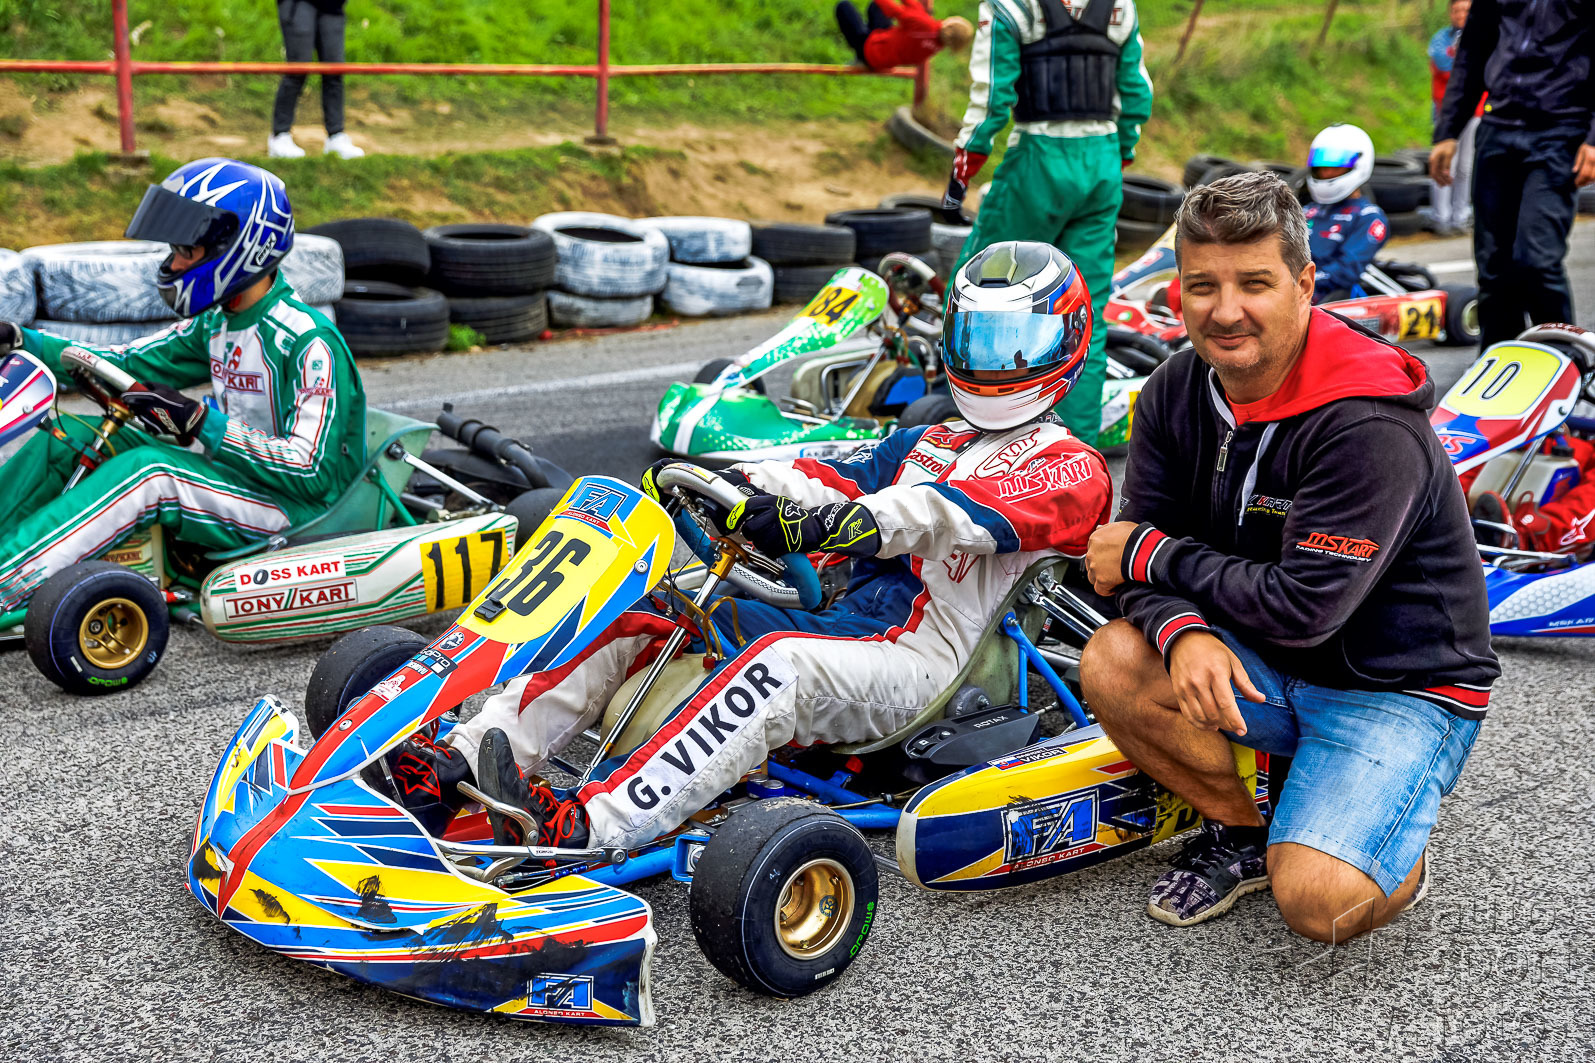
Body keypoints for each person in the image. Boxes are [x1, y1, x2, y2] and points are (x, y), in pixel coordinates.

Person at [382, 242, 1114, 853]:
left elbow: (946, 516)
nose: (993, 364)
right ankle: (465, 756)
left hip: (930, 667)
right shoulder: (930, 439)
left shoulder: (1068, 465)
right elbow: (827, 473)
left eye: (1013, 343)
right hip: (846, 623)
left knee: (776, 665)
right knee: (653, 608)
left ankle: (591, 824)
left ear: (1064, 343)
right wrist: (734, 482)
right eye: (979, 340)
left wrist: (823, 526)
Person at [1077, 172, 1499, 941]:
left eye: (1253, 283)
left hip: (1395, 685)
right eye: (1202, 285)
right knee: (1113, 658)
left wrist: (1151, 554)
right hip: (1264, 654)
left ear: (1304, 285)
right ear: (1177, 291)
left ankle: (1383, 845)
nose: (1224, 310)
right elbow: (1129, 559)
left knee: (1318, 903)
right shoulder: (1174, 390)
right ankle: (1241, 830)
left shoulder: (1367, 423)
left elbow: (1300, 607)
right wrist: (1180, 629)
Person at [0, 158, 365, 611]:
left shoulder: (308, 341)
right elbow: (123, 363)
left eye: (185, 252)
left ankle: (8, 581)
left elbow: (312, 474)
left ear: (241, 249)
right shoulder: (217, 323)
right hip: (234, 478)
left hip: (298, 508)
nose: (172, 264)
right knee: (71, 433)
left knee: (151, 473)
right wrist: (24, 340)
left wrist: (199, 422)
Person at [943, 0, 1153, 448]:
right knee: (1086, 307)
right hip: (1102, 161)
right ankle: (1075, 448)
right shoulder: (1121, 6)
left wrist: (963, 169)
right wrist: (1119, 154)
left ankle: (970, 434)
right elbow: (1137, 94)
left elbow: (991, 99)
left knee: (976, 290)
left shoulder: (1008, 6)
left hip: (1037, 158)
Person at [1430, 0, 1595, 350]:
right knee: (1494, 267)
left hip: (1561, 129)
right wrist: (1448, 131)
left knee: (1536, 260)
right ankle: (1498, 363)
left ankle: (1565, 362)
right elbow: (1472, 52)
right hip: (1498, 128)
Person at [1302, 124, 1389, 303]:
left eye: (1335, 166)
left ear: (1358, 165)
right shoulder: (1305, 211)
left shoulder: (1368, 217)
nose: (1326, 172)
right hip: (1297, 288)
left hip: (1329, 294)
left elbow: (1347, 269)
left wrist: (1300, 283)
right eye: (1321, 166)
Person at [270, 0, 363, 159]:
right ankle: (280, 135)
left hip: (332, 6)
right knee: (298, 68)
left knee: (335, 71)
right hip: (297, 4)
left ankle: (336, 136)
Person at [1422, 0, 1481, 236]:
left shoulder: (1482, 36)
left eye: (1466, 10)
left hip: (1475, 112)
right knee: (1444, 163)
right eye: (1457, 10)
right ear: (1450, 13)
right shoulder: (1440, 39)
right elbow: (1447, 68)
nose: (1461, 15)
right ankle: (1441, 217)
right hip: (1446, 111)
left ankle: (1461, 215)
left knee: (1466, 166)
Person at [834, 1, 974, 72]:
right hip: (885, 53)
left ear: (950, 25)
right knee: (876, 8)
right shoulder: (938, 43)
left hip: (868, 50)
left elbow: (893, 10)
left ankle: (860, 57)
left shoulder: (925, 26)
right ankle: (866, 43)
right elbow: (915, 9)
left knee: (843, 6)